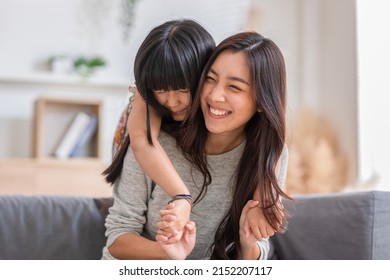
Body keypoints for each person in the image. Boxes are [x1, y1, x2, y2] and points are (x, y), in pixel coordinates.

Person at [101, 30, 291, 260]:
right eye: (210, 79)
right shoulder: (156, 141)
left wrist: (247, 243)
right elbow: (117, 239)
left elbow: (256, 253)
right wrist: (167, 254)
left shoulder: (268, 154)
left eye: (234, 87)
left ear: (263, 101)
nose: (215, 95)